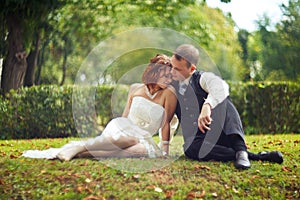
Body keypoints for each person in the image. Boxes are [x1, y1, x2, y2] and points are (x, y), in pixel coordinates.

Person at [22, 54, 177, 161]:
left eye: (170, 76)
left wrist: (165, 151)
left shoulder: (169, 94)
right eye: (166, 75)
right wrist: (121, 130)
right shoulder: (135, 88)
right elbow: (124, 118)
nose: (169, 79)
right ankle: (79, 146)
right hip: (125, 130)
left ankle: (77, 152)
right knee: (129, 139)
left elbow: (165, 124)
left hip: (144, 138)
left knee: (134, 152)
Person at [170, 44, 283, 169]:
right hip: (200, 142)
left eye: (177, 69)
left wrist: (207, 105)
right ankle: (250, 155)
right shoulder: (172, 88)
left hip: (221, 134)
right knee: (189, 147)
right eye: (172, 67)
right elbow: (167, 116)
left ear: (192, 69)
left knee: (222, 100)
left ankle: (241, 148)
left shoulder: (201, 78)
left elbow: (221, 86)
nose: (172, 72)